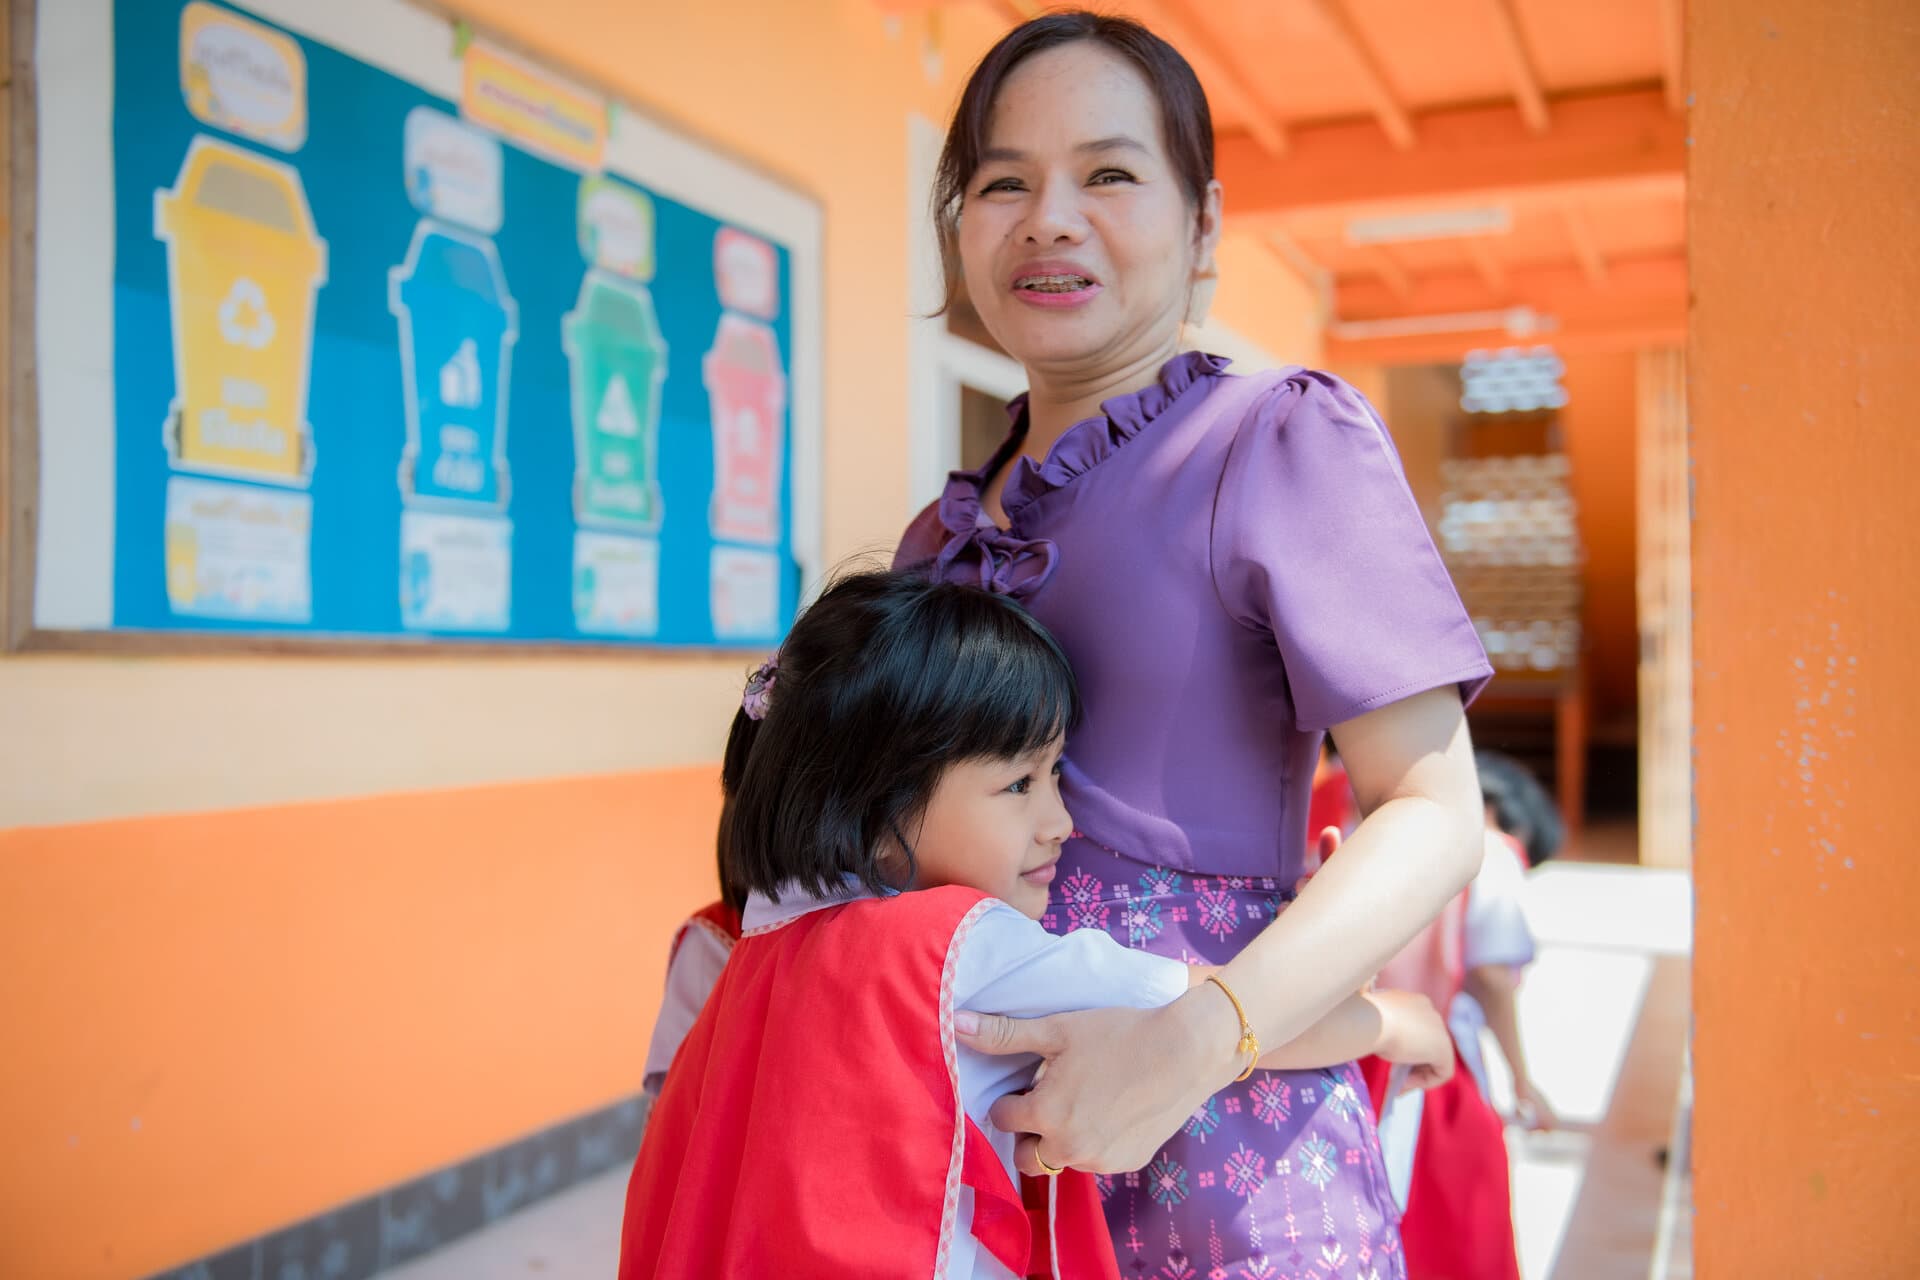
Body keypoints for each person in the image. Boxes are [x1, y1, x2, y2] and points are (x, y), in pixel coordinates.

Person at [893, 12, 1492, 1273]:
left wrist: (1183, 1044)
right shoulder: (928, 545)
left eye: (1109, 174)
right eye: (1004, 181)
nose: (1049, 217)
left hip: (1234, 1164)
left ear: (1205, 225)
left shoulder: (1274, 440)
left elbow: (1435, 806)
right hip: (986, 1170)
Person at [618, 571, 1454, 1279]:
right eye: (1020, 784)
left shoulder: (751, 935)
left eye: (1055, 774)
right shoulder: (958, 949)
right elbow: (1219, 1012)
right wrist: (1389, 1021)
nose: (1059, 820)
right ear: (875, 804)